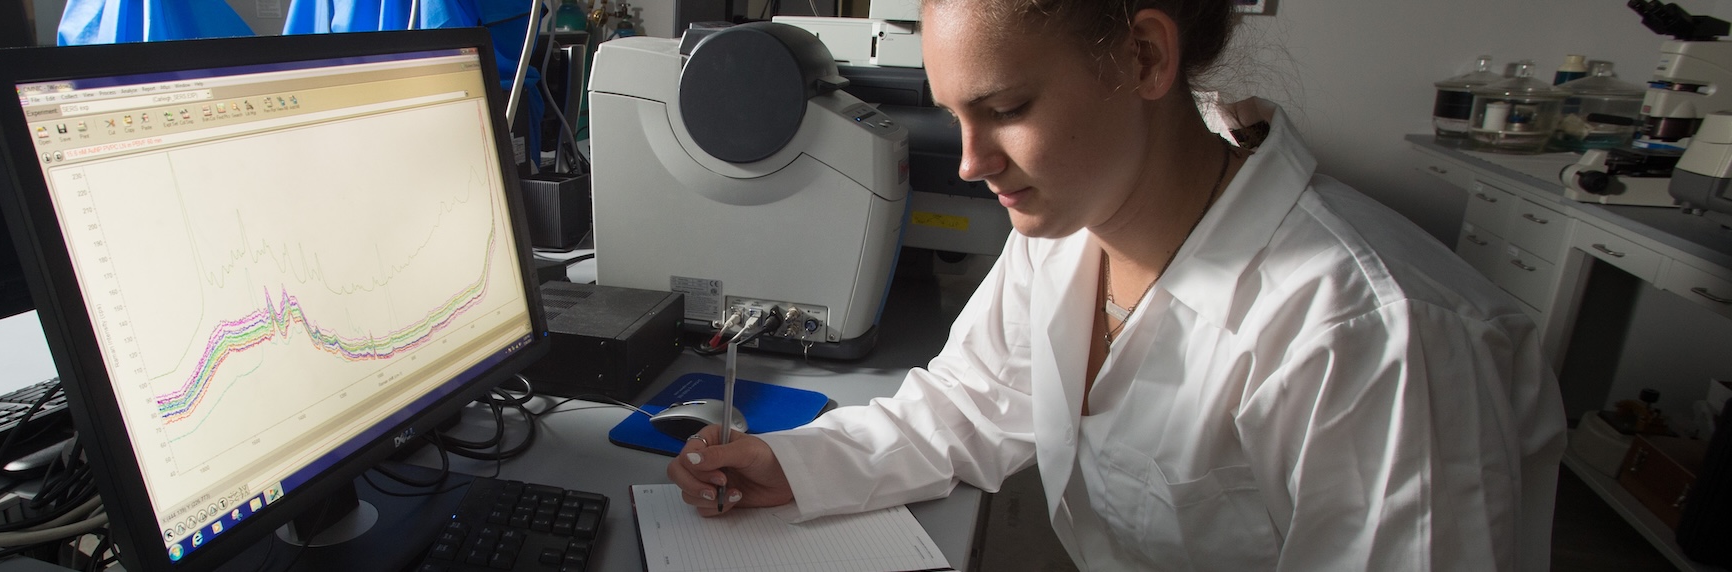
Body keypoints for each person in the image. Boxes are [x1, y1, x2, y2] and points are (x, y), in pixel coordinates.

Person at [666, 0, 1566, 569]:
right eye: (955, 118)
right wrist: (795, 462)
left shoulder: (1375, 336)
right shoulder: (1067, 231)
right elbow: (975, 405)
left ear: (1142, 56)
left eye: (1007, 110)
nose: (973, 163)